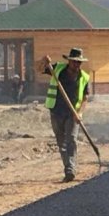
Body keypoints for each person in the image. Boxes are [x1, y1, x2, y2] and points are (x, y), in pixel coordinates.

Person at [40, 47, 90, 182]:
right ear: (69, 61)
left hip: (72, 114)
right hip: (56, 112)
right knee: (61, 142)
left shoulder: (84, 77)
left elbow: (85, 97)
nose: (76, 64)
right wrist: (43, 62)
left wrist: (79, 113)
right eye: (74, 61)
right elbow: (39, 69)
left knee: (71, 139)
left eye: (79, 62)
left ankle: (70, 169)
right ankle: (68, 166)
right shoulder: (57, 69)